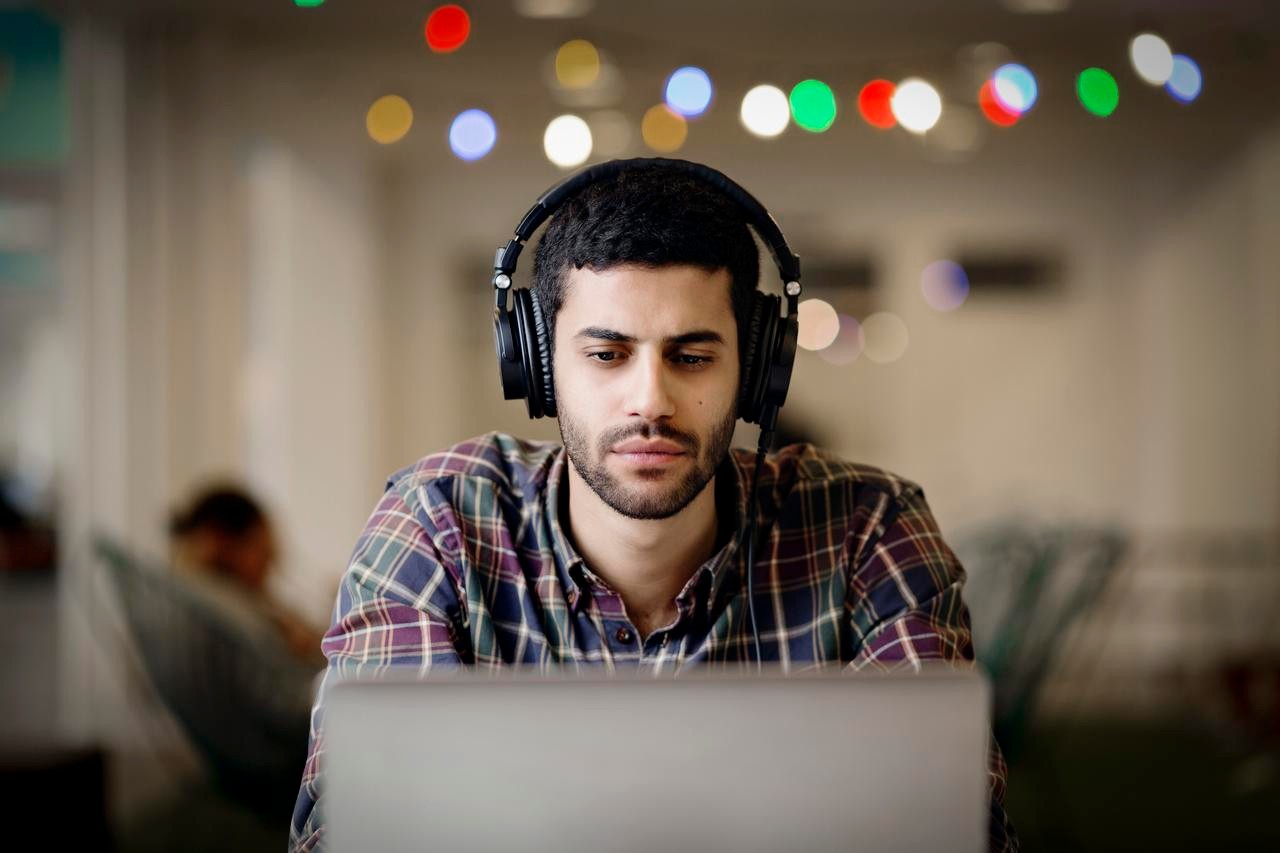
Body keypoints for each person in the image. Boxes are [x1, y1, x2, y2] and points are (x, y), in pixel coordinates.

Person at [289, 159, 1018, 852]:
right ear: (539, 368)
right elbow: (356, 829)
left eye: (692, 357)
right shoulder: (437, 523)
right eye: (606, 355)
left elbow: (952, 829)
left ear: (758, 368)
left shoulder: (868, 529)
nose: (651, 401)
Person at [170, 485, 324, 667]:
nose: (269, 571)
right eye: (265, 556)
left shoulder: (183, 590)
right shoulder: (224, 610)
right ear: (221, 541)